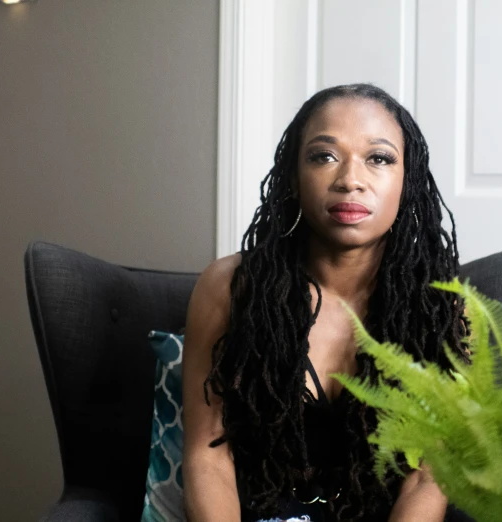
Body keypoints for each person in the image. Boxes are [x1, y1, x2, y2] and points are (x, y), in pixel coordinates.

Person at [181, 84, 472, 522]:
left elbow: (429, 475)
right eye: (324, 156)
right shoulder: (230, 288)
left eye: (379, 158)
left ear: (407, 181)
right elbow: (207, 456)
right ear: (294, 178)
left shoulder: (440, 308)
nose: (350, 180)